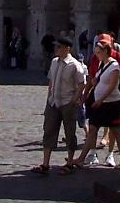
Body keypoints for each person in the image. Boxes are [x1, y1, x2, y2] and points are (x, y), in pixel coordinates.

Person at [32, 34, 87, 176]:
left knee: (69, 133)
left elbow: (82, 85)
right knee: (48, 131)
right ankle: (45, 164)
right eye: (56, 46)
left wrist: (74, 101)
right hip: (53, 102)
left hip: (67, 103)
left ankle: (69, 163)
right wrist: (48, 97)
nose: (55, 48)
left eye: (59, 47)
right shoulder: (54, 61)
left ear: (67, 49)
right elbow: (51, 80)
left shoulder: (75, 65)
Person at [76, 38, 120, 169]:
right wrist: (87, 93)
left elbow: (112, 86)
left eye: (98, 52)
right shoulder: (101, 64)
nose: (96, 55)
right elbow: (97, 81)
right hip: (100, 105)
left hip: (112, 105)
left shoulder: (114, 66)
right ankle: (81, 158)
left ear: (105, 51)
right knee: (92, 130)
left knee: (116, 131)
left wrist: (100, 99)